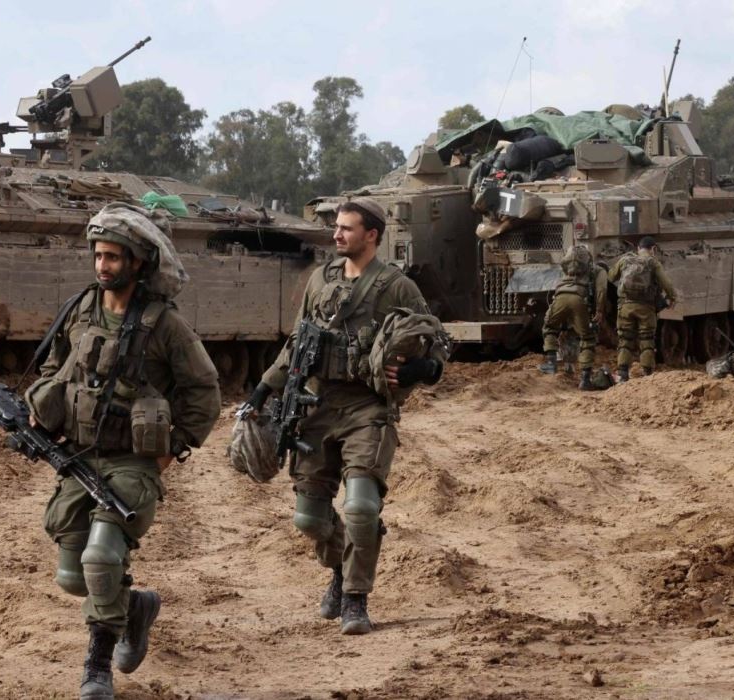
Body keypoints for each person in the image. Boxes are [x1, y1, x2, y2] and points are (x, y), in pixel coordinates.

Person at [23, 203, 221, 699]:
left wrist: (172, 450)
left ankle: (97, 667)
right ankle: (135, 609)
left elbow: (204, 392)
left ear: (137, 262)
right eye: (98, 255)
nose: (102, 265)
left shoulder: (165, 325)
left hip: (133, 461)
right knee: (73, 578)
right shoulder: (80, 308)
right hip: (78, 455)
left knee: (102, 558)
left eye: (112, 257)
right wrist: (42, 406)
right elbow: (53, 366)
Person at [250, 198, 445, 635]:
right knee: (309, 519)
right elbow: (297, 341)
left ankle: (356, 598)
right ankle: (340, 569)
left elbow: (436, 342)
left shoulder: (397, 286)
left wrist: (422, 369)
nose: (336, 234)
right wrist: (263, 389)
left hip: (367, 407)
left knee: (361, 507)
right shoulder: (321, 279)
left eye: (346, 228)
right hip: (316, 405)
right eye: (336, 227)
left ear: (371, 235)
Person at [538, 245, 608, 390]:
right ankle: (585, 380)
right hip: (579, 299)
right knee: (587, 338)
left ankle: (551, 363)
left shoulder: (568, 268)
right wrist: (599, 310)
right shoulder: (598, 270)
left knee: (550, 327)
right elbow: (601, 290)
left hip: (560, 297)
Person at [608, 236, 677, 381]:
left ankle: (623, 373)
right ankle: (647, 374)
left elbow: (611, 276)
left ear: (638, 248)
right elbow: (666, 283)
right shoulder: (653, 263)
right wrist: (672, 298)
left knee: (625, 339)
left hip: (626, 306)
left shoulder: (625, 260)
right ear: (653, 249)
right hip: (646, 308)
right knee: (646, 340)